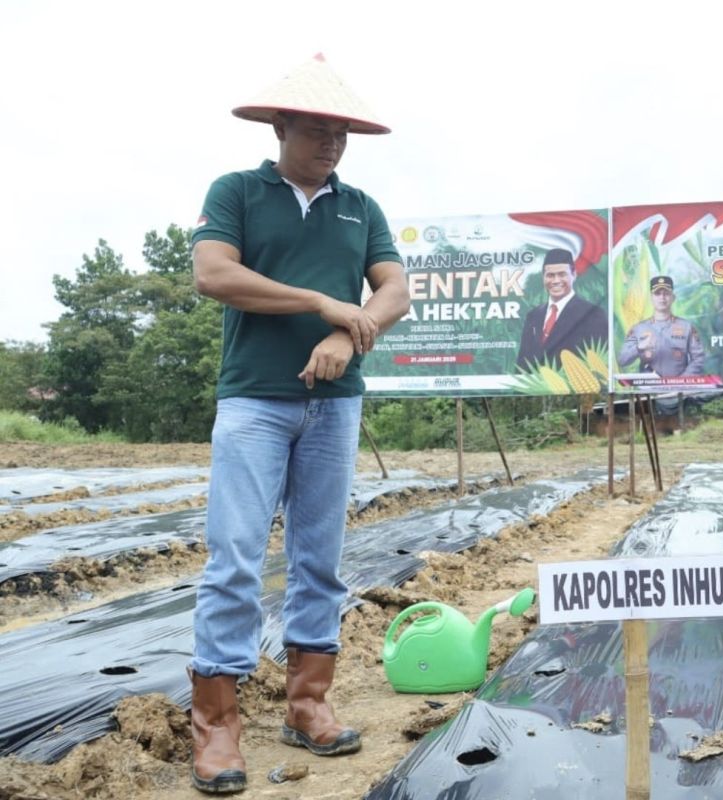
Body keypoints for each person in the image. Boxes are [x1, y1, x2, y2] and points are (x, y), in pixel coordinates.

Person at [189, 54, 410, 795]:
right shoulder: (238, 193)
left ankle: (307, 703)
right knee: (236, 559)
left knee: (320, 558)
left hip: (335, 405)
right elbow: (213, 274)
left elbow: (394, 292)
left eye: (341, 131)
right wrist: (320, 303)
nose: (332, 142)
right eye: (318, 129)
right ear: (280, 125)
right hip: (254, 399)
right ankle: (217, 728)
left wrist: (349, 335)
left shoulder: (361, 208)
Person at [515, 248, 607, 370]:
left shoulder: (592, 314)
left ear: (574, 275)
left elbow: (600, 362)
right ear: (543, 277)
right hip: (535, 388)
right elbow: (522, 364)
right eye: (550, 275)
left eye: (562, 274)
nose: (556, 281)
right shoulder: (533, 316)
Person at [616, 275, 706, 378]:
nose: (662, 298)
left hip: (680, 391)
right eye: (657, 294)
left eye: (666, 293)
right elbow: (622, 360)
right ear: (651, 298)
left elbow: (699, 359)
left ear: (673, 298)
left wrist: (681, 382)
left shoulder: (687, 327)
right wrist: (638, 348)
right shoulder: (638, 329)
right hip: (648, 391)